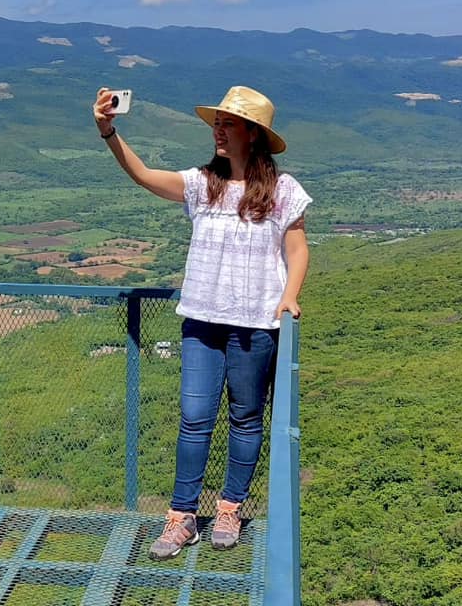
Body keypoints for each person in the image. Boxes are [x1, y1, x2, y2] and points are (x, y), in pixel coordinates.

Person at [91, 85, 311, 559]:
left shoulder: (283, 190)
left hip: (256, 322)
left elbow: (297, 249)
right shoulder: (201, 184)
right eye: (217, 123)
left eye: (228, 124)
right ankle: (182, 517)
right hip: (201, 320)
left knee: (245, 418)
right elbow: (144, 175)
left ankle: (230, 508)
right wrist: (108, 131)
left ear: (253, 134)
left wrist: (289, 297)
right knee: (194, 418)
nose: (218, 131)